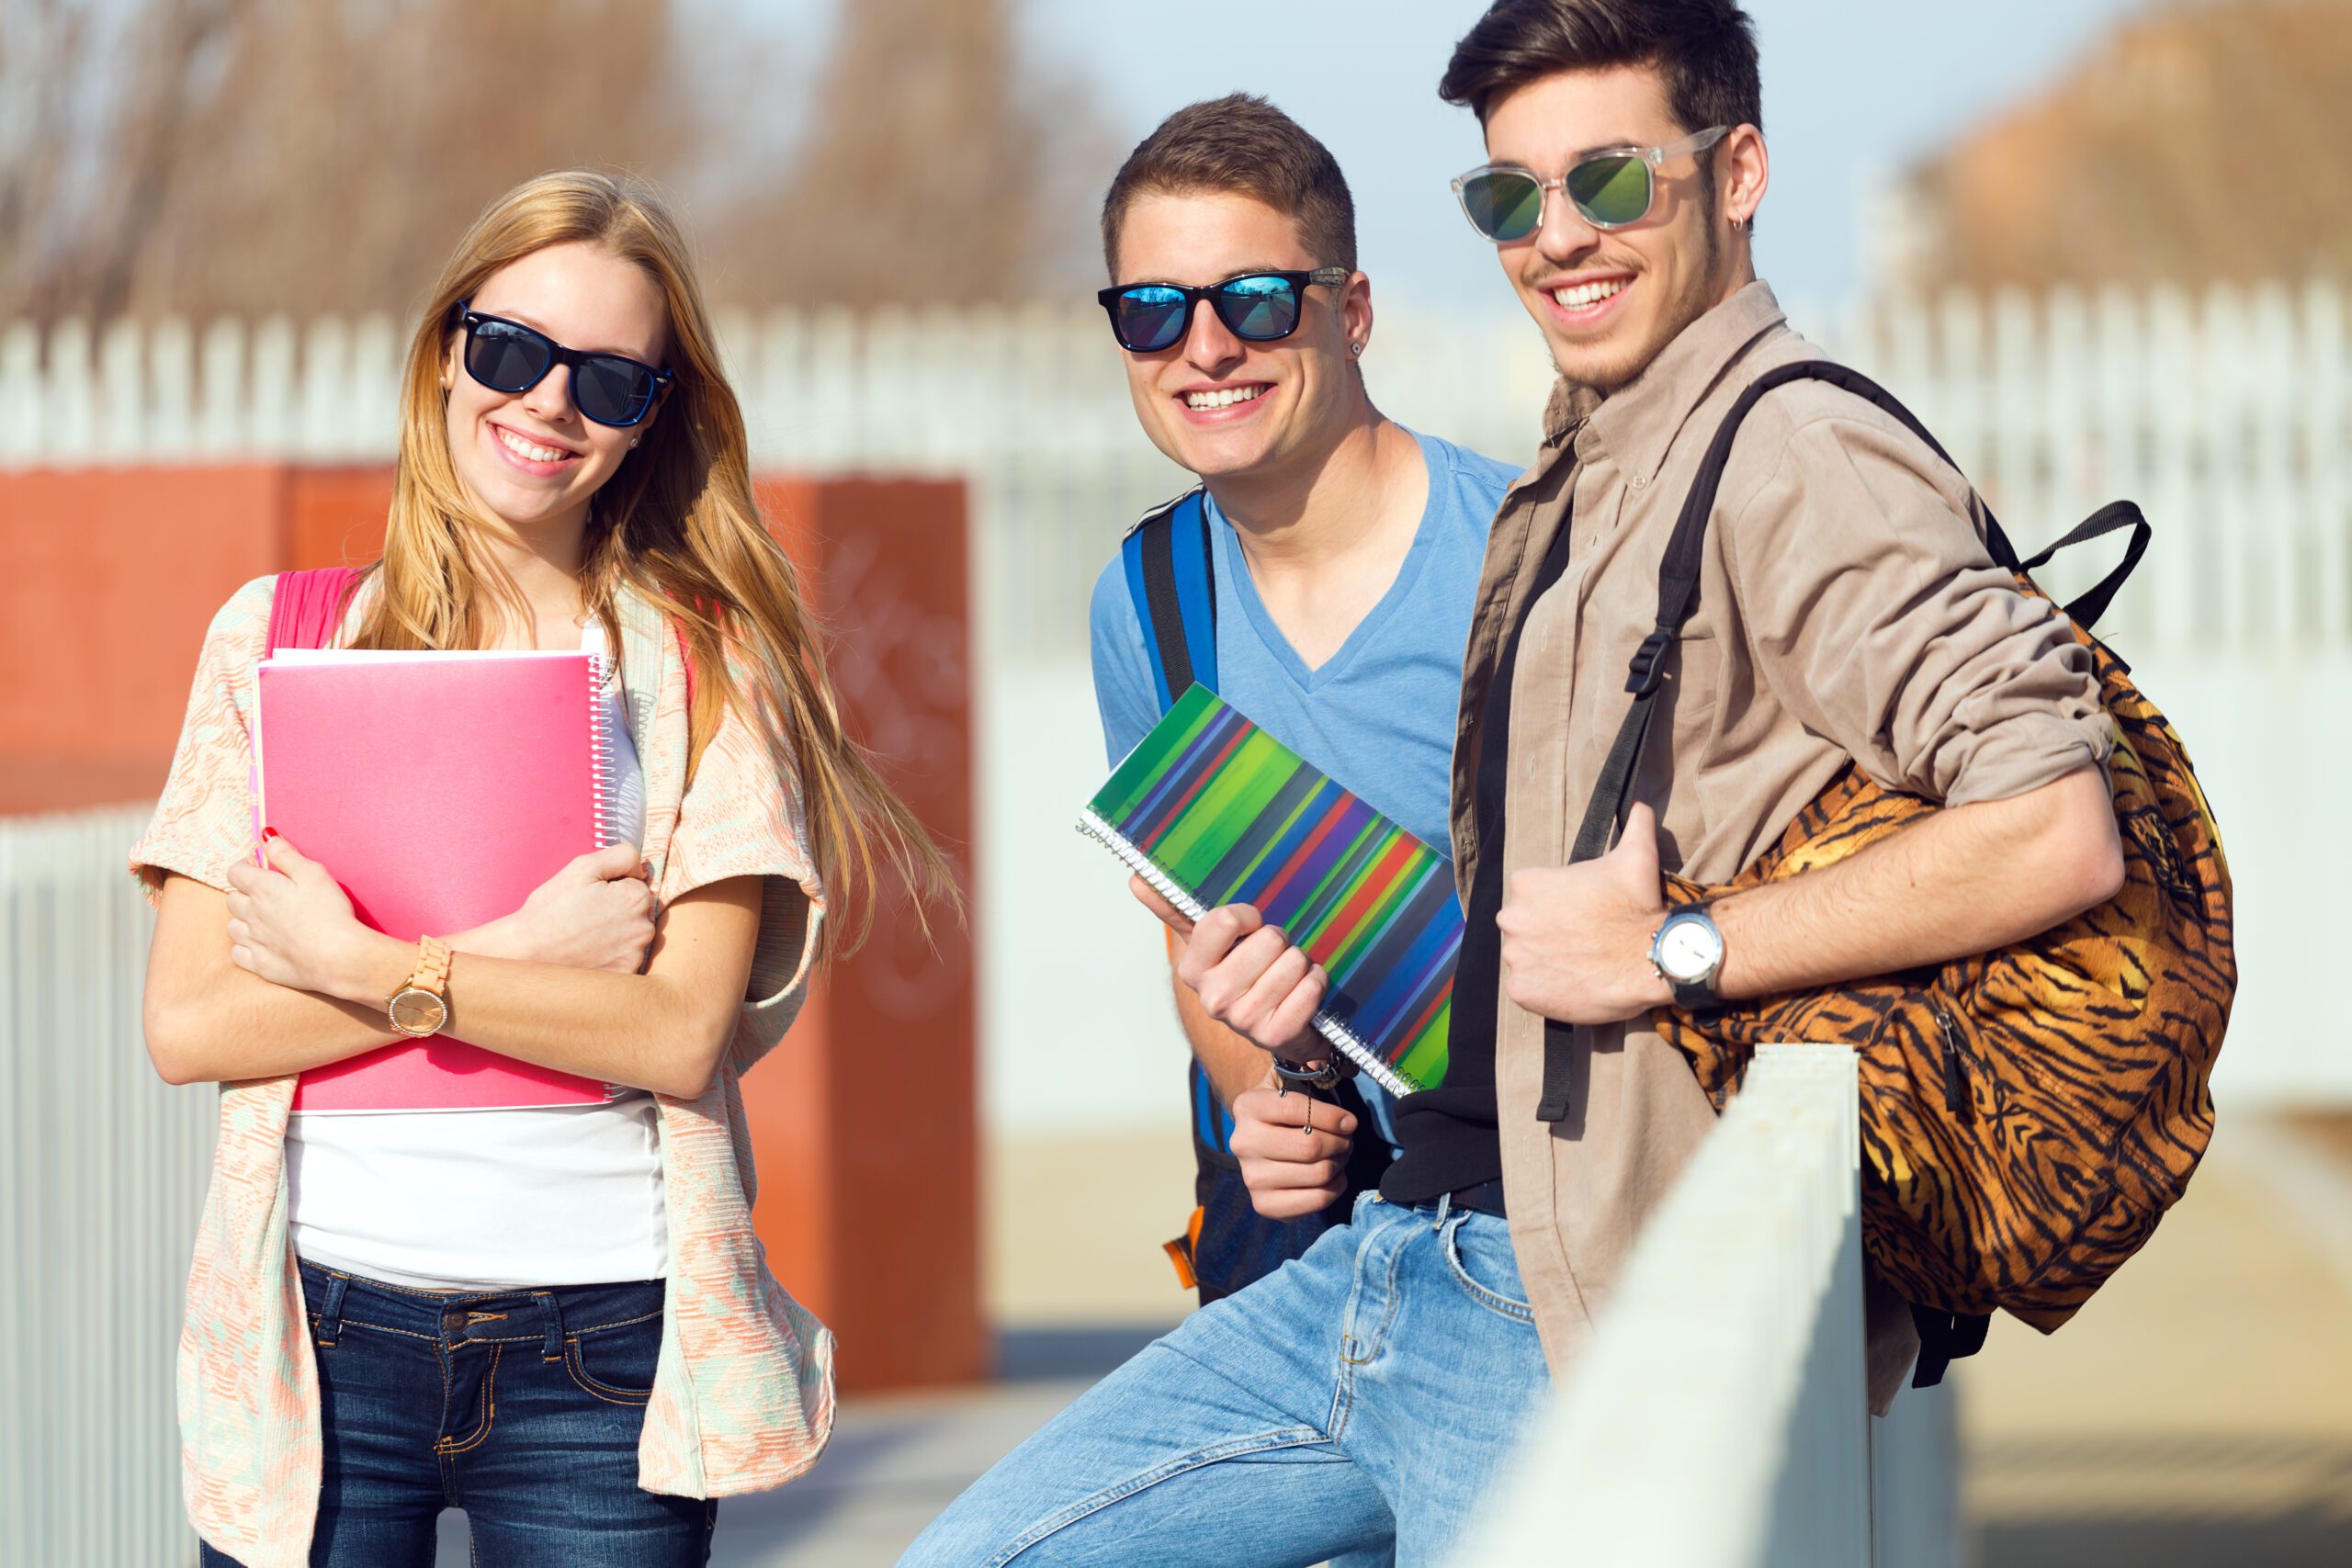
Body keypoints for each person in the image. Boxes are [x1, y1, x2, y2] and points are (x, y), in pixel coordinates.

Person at [905, 2, 2123, 1562]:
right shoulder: (1572, 488)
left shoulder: (1779, 451)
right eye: (1509, 197)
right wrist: (1257, 1076)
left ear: (1737, 170)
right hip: (1369, 1251)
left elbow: (2047, 820)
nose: (1559, 236)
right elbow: (1209, 935)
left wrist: (1679, 949)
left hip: (1550, 1277)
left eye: (1610, 182)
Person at [133, 170, 951, 1568]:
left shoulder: (709, 667)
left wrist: (361, 964)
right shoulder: (275, 642)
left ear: (655, 418)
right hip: (321, 1338)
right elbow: (189, 1025)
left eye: (610, 380)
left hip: (605, 1347)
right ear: (448, 350)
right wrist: (514, 953)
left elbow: (682, 1030)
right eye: (511, 350)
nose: (547, 404)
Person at [1083, 96, 1521, 1303]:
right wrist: (1258, 1099)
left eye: (1256, 300)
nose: (1206, 348)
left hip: (1523, 1217)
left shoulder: (1529, 555)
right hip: (1301, 1232)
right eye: (1153, 311)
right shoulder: (1148, 598)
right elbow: (1193, 926)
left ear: (1354, 310)